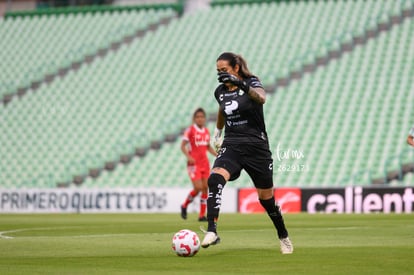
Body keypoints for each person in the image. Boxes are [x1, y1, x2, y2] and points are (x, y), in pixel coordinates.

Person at [200, 52, 293, 254]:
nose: (221, 74)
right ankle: (212, 231)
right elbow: (222, 110)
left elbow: (261, 98)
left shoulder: (252, 82)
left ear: (235, 67)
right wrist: (217, 132)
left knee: (266, 199)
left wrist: (240, 84)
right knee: (215, 179)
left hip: (256, 146)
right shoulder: (220, 91)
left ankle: (283, 235)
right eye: (218, 71)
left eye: (224, 70)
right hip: (232, 144)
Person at [180, 108, 218, 221]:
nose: (200, 119)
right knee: (198, 187)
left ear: (205, 118)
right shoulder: (190, 130)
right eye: (198, 117)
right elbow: (183, 146)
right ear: (194, 119)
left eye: (202, 117)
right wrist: (189, 156)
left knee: (205, 188)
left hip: (204, 163)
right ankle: (184, 205)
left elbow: (207, 146)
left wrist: (217, 154)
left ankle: (201, 215)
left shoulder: (206, 131)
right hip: (194, 164)